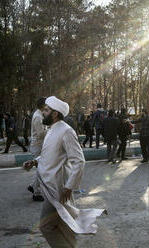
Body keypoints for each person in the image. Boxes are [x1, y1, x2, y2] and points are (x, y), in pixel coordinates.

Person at [23, 96, 105, 248]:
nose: (43, 113)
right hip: (49, 186)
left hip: (58, 189)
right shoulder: (52, 130)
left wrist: (69, 187)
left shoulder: (66, 131)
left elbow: (79, 160)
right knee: (65, 225)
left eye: (46, 111)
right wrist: (35, 161)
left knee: (46, 226)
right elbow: (49, 154)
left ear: (55, 114)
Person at [28, 97, 47, 202]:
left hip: (38, 145)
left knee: (41, 169)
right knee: (42, 169)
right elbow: (40, 134)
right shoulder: (38, 117)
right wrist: (51, 130)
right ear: (43, 105)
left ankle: (32, 186)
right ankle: (36, 193)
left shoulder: (39, 115)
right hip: (38, 145)